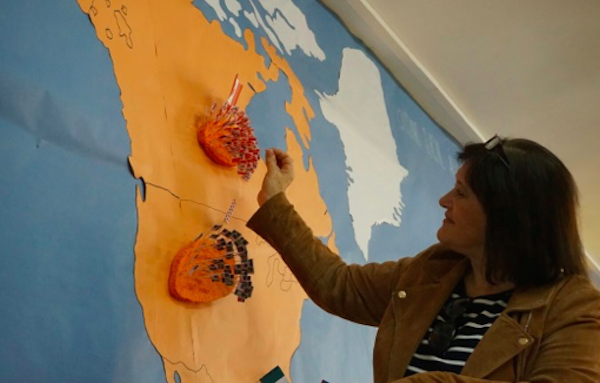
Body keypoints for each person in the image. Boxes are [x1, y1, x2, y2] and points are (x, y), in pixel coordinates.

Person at [246, 135, 600, 383]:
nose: (445, 201)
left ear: (506, 218)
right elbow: (340, 286)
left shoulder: (575, 308)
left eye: (461, 193)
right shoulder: (433, 270)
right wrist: (274, 202)